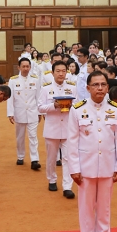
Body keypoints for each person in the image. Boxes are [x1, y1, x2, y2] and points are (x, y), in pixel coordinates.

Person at [66, 71, 117, 232]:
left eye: (103, 85)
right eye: (95, 85)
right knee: (86, 207)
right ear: (88, 88)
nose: (100, 88)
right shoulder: (78, 109)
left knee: (104, 207)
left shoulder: (115, 109)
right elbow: (72, 141)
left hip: (108, 165)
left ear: (108, 87)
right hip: (86, 166)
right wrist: (74, 169)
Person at [38, 60, 76, 197]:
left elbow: (77, 105)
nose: (61, 74)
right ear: (52, 73)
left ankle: (67, 186)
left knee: (68, 158)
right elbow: (40, 107)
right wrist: (54, 105)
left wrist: (71, 106)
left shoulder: (72, 87)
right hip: (52, 128)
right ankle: (52, 179)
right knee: (52, 158)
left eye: (63, 71)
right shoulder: (45, 88)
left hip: (68, 127)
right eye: (58, 71)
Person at [8, 58, 42, 169]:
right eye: (23, 66)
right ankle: (20, 156)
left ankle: (34, 160)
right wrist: (10, 113)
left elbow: (38, 97)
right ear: (19, 67)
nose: (26, 68)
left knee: (33, 136)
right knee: (20, 137)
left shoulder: (35, 79)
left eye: (28, 66)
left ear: (30, 67)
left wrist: (39, 112)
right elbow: (10, 98)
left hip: (33, 112)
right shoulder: (13, 80)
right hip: (20, 113)